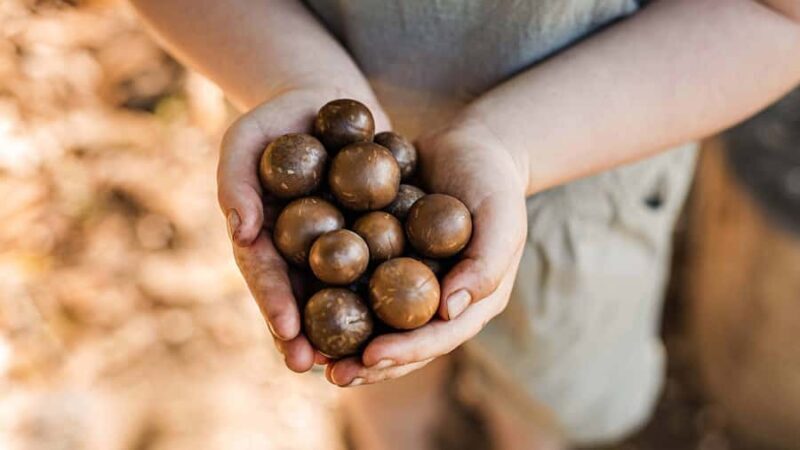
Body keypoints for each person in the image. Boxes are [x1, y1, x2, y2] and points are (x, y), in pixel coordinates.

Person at [131, 0, 800, 447]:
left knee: (547, 401)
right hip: (305, 121)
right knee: (375, 375)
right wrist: (293, 79)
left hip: (585, 201)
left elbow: (777, 16)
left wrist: (517, 142)